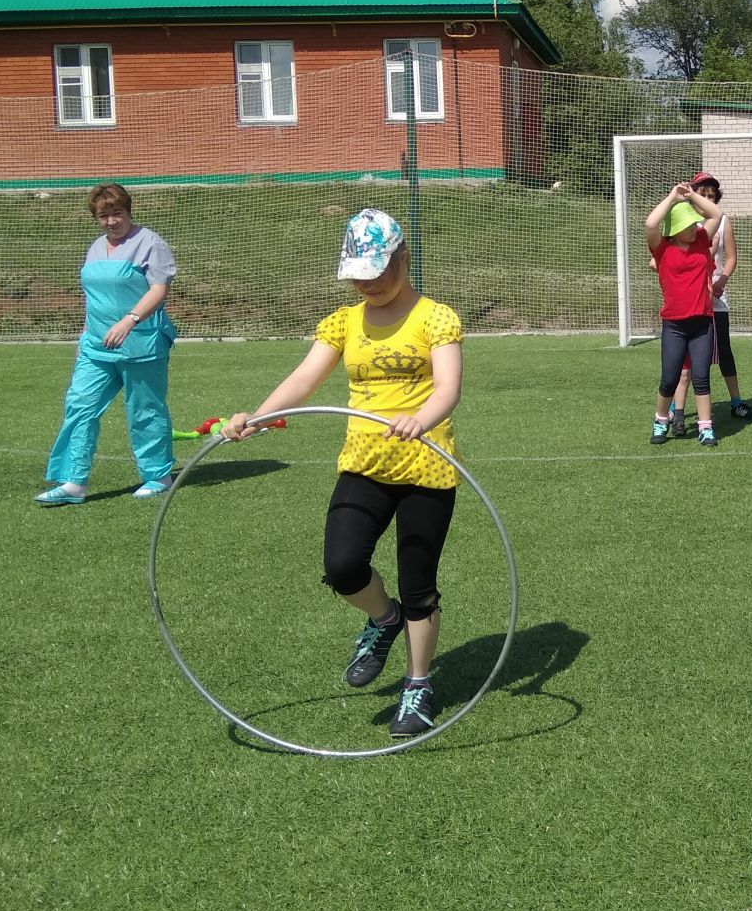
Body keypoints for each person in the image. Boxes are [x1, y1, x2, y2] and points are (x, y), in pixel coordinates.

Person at [222, 208, 464, 739]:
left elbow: (448, 388)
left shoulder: (435, 318)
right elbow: (305, 378)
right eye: (360, 273)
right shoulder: (343, 321)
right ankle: (383, 620)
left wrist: (420, 419)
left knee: (419, 585)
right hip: (365, 464)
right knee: (342, 566)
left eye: (379, 270)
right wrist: (255, 417)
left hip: (426, 465)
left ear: (403, 258)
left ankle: (418, 685)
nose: (369, 282)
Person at [35, 183, 178, 504]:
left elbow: (159, 290)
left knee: (144, 409)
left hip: (143, 343)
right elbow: (93, 297)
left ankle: (158, 476)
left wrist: (130, 320)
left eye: (117, 213)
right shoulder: (96, 247)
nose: (111, 221)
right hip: (96, 346)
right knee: (79, 405)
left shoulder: (151, 244)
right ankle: (73, 482)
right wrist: (84, 337)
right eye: (103, 216)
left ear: (128, 212)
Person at [670, 170, 751, 432]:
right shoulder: (684, 222)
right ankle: (674, 408)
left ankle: (736, 401)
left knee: (724, 350)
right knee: (684, 358)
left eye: (712, 195)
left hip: (714, 299)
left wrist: (720, 282)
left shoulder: (723, 220)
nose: (708, 198)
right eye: (703, 194)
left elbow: (731, 258)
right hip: (690, 299)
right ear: (693, 196)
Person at [646, 181, 723, 447]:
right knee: (669, 378)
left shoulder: (702, 240)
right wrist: (672, 197)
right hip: (674, 325)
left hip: (702, 323)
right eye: (689, 225)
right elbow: (650, 224)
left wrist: (691, 196)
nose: (695, 228)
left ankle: (705, 427)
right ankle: (660, 420)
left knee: (701, 377)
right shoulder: (662, 249)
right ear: (677, 229)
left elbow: (716, 214)